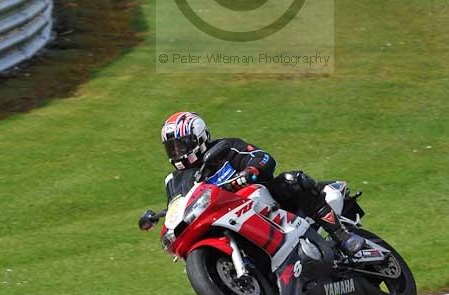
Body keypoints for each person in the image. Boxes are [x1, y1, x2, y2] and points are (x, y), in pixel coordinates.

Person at [142, 110, 364, 257]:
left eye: (181, 145)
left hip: (259, 198)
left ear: (198, 138)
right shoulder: (173, 180)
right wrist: (161, 217)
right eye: (171, 148)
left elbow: (264, 158)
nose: (176, 152)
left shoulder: (225, 148)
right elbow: (179, 205)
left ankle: (341, 235)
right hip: (223, 218)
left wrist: (248, 173)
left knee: (292, 180)